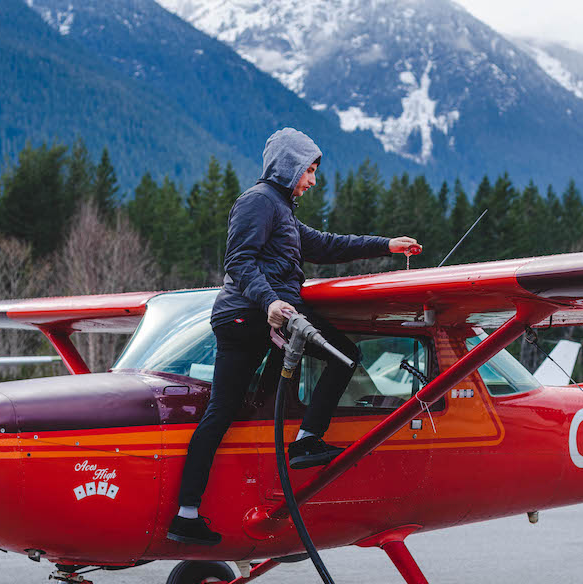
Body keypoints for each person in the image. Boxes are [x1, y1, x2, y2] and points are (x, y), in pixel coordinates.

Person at [167, 127, 421, 546]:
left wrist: (387, 245)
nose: (313, 180)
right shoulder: (258, 201)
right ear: (289, 165)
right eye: (310, 170)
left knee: (223, 412)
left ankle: (186, 515)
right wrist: (269, 302)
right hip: (257, 315)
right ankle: (305, 442)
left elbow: (325, 245)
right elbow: (239, 260)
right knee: (344, 354)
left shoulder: (280, 208)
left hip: (251, 318)